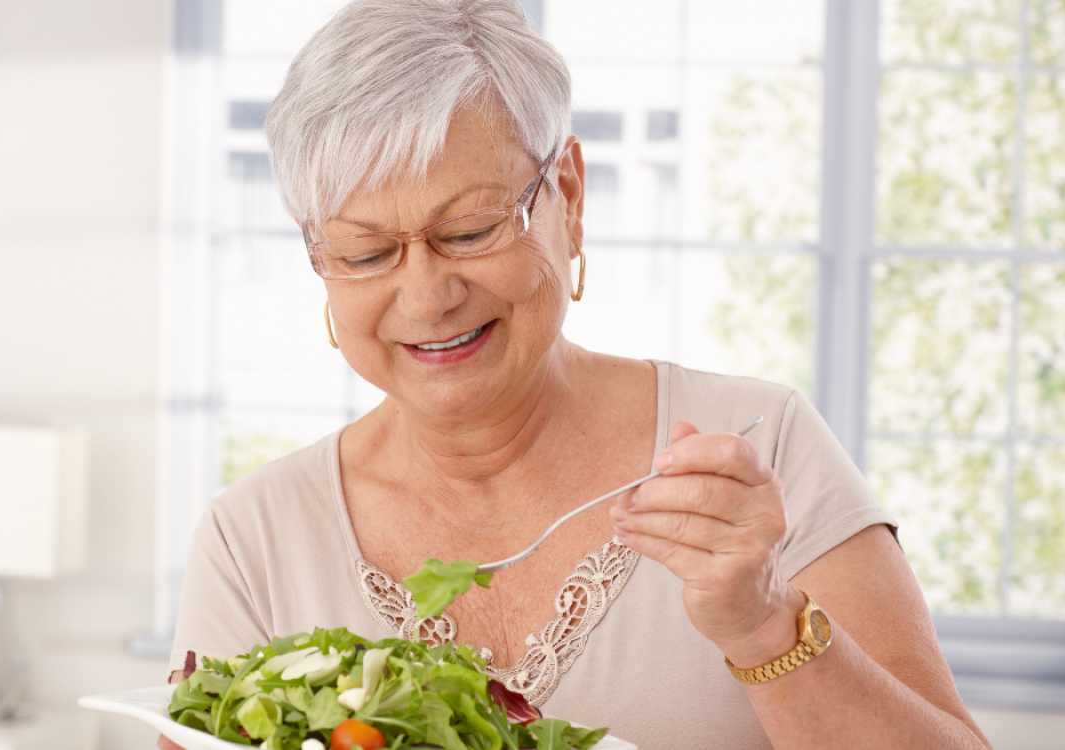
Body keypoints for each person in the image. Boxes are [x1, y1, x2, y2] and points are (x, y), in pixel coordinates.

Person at [160, 1, 992, 748]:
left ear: (568, 193)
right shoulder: (254, 537)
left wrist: (766, 626)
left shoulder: (755, 446)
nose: (427, 295)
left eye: (472, 229)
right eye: (365, 252)